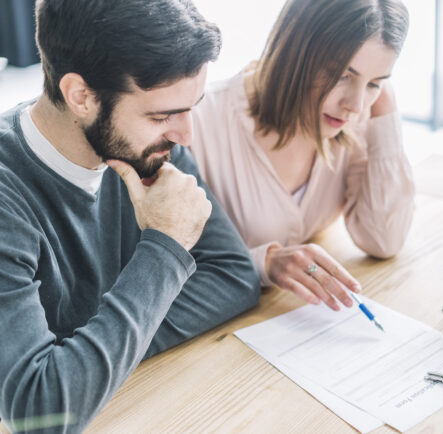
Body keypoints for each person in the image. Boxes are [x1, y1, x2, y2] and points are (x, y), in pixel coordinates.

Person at [0, 0, 260, 431]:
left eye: (190, 107)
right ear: (81, 96)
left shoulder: (145, 146)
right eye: (162, 115)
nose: (184, 135)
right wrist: (166, 246)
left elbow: (234, 276)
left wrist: (87, 357)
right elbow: (39, 411)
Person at [190, 0, 414, 312]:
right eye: (342, 74)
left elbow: (383, 239)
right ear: (294, 48)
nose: (355, 105)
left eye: (375, 83)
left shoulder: (356, 119)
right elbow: (164, 265)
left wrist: (385, 112)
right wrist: (264, 262)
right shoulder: (199, 123)